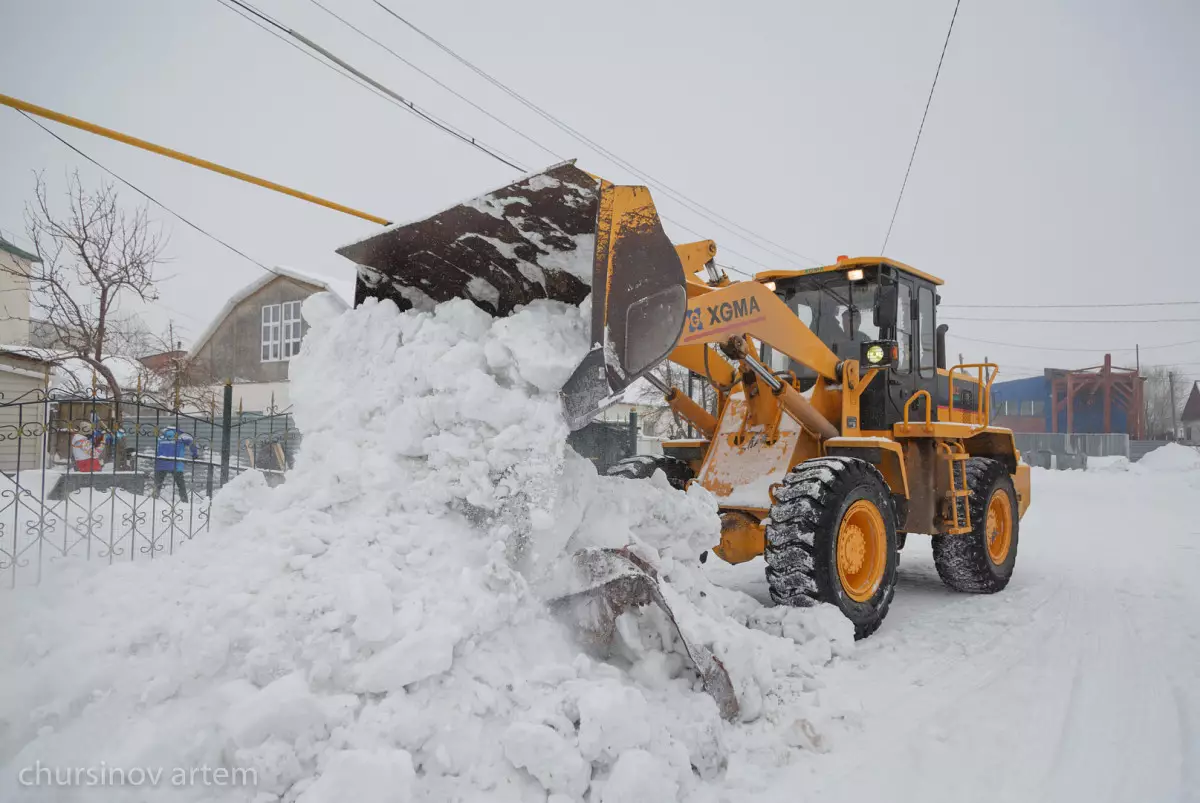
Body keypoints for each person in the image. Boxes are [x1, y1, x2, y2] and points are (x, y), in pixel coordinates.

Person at [153, 427, 198, 502]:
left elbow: (158, 448)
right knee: (181, 486)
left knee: (157, 485)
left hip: (161, 463)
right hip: (176, 465)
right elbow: (192, 443)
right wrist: (194, 454)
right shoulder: (181, 436)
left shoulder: (161, 436)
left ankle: (153, 500)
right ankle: (184, 501)